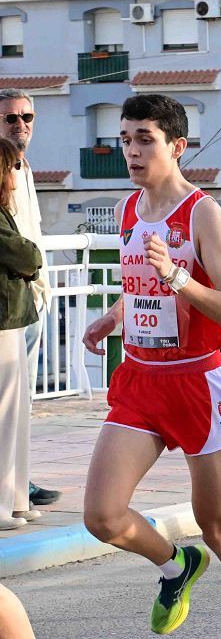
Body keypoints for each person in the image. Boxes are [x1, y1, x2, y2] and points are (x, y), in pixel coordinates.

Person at [80, 95, 221, 638]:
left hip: (198, 380)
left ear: (177, 146)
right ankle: (176, 566)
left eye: (144, 139)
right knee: (102, 517)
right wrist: (113, 317)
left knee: (217, 527)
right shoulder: (127, 209)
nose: (132, 150)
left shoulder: (202, 212)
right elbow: (139, 287)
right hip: (142, 379)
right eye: (125, 139)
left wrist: (177, 277)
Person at [0, 88, 60, 509]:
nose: (21, 125)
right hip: (8, 302)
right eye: (10, 118)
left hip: (30, 298)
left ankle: (18, 484)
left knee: (21, 402)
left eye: (27, 117)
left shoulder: (26, 169)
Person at [0, 137, 41, 531]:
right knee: (3, 415)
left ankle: (16, 500)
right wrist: (28, 262)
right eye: (11, 168)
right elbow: (28, 255)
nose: (17, 175)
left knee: (17, 415)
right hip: (2, 322)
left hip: (12, 319)